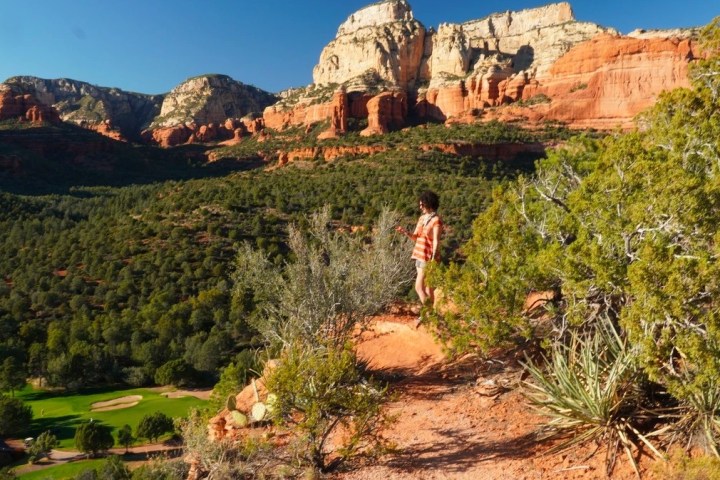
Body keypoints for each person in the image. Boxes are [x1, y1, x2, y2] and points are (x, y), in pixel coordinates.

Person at [396, 190, 442, 327]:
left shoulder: (436, 220)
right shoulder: (422, 219)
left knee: (419, 287)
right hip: (419, 254)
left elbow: (436, 241)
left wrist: (434, 257)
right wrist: (405, 232)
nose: (420, 206)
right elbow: (416, 237)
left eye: (422, 204)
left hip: (428, 257)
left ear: (429, 204)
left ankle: (428, 315)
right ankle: (430, 315)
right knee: (428, 289)